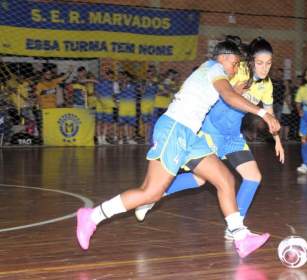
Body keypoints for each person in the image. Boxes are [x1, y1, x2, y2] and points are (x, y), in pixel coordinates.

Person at [76, 38, 280, 258]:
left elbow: (231, 95)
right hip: (174, 129)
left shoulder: (220, 72)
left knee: (225, 180)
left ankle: (240, 237)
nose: (235, 70)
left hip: (190, 135)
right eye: (235, 64)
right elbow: (229, 97)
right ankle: (92, 216)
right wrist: (262, 113)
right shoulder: (214, 69)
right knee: (150, 192)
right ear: (225, 59)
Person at [135, 37, 285, 241]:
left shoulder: (266, 85)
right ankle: (154, 195)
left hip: (232, 136)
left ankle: (235, 227)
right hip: (211, 130)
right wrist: (236, 90)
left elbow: (269, 113)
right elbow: (222, 91)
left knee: (253, 177)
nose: (264, 67)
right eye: (259, 62)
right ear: (250, 61)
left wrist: (277, 139)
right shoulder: (238, 71)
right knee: (200, 179)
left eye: (268, 63)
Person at [95, 70, 116, 145]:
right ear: (106, 75)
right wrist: (101, 101)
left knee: (107, 122)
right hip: (100, 105)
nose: (110, 77)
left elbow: (113, 94)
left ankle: (104, 138)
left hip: (109, 105)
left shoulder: (112, 84)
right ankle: (99, 139)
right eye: (109, 76)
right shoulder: (99, 82)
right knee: (99, 122)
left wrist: (114, 101)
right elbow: (97, 94)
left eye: (112, 76)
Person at [117, 71, 138, 145]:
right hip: (123, 107)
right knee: (121, 124)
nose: (125, 78)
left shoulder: (134, 85)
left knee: (131, 124)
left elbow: (139, 88)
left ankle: (130, 139)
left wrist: (132, 80)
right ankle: (120, 139)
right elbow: (120, 90)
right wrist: (123, 82)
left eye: (127, 77)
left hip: (132, 107)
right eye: (124, 77)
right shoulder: (120, 85)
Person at [140, 66, 159, 144]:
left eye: (151, 73)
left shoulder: (156, 81)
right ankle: (145, 139)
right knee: (145, 122)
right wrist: (147, 84)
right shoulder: (143, 81)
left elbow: (158, 91)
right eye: (148, 73)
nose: (150, 75)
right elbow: (141, 92)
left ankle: (150, 139)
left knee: (151, 122)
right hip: (144, 104)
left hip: (153, 104)